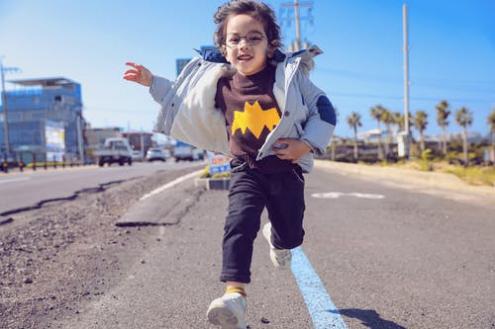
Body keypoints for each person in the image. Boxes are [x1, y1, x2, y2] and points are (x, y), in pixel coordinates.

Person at [123, 1, 336, 328]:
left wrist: (304, 145)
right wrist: (151, 81)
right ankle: (234, 295)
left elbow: (325, 111)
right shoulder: (219, 83)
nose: (244, 46)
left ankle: (278, 240)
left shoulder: (290, 78)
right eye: (235, 39)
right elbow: (179, 98)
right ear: (223, 47)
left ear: (270, 44)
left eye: (254, 38)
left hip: (285, 167)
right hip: (246, 169)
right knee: (238, 224)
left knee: (291, 234)